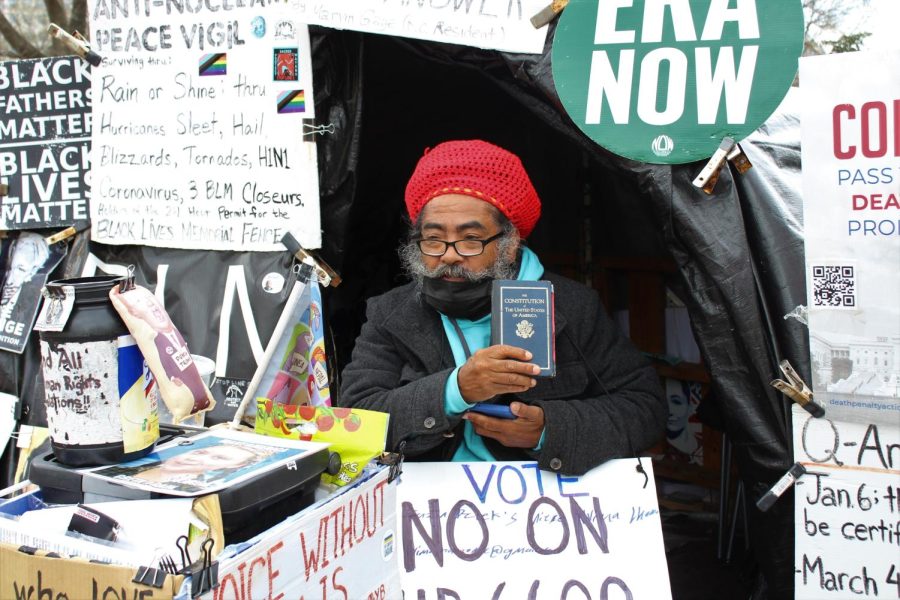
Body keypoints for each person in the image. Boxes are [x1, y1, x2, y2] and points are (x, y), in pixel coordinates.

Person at [339, 139, 666, 475]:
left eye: (470, 239)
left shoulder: (571, 307)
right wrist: (456, 389)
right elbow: (355, 418)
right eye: (434, 239)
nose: (449, 255)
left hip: (540, 507)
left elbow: (644, 406)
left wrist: (547, 431)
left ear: (509, 246)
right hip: (425, 510)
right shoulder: (391, 313)